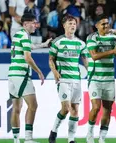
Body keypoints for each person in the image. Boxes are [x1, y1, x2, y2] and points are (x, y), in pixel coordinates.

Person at [48, 15, 87, 143]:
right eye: (70, 23)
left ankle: (71, 139)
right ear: (64, 25)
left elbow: (85, 60)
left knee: (75, 110)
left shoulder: (81, 43)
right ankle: (54, 131)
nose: (72, 25)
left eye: (74, 23)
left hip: (76, 80)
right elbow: (51, 59)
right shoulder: (57, 42)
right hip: (63, 80)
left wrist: (91, 72)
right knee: (66, 108)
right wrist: (54, 72)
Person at [8, 13, 44, 143]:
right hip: (21, 74)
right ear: (25, 24)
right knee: (33, 105)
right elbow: (27, 57)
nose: (35, 25)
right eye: (33, 22)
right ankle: (28, 139)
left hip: (12, 75)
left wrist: (43, 44)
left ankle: (16, 140)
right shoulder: (24, 36)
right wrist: (39, 72)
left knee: (16, 108)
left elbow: (30, 47)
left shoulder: (18, 35)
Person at [85, 14, 116, 143]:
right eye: (103, 23)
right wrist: (112, 52)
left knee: (108, 109)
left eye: (107, 23)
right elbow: (94, 56)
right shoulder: (92, 37)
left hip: (109, 78)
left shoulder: (113, 38)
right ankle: (89, 134)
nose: (106, 26)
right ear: (96, 26)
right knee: (95, 108)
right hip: (95, 78)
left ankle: (102, 138)